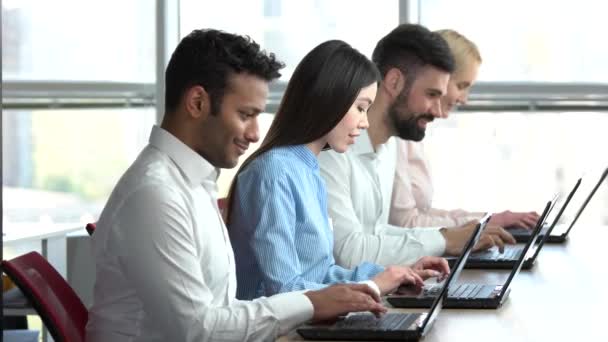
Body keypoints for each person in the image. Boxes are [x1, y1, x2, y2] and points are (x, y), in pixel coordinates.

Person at [86, 29, 389, 342]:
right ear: (197, 102)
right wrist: (310, 303)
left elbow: (222, 311)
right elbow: (200, 330)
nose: (256, 134)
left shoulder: (193, 182)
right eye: (246, 115)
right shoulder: (155, 195)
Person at [226, 40, 449, 301]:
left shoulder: (310, 172)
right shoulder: (274, 174)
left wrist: (394, 275)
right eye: (361, 108)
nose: (365, 122)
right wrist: (374, 286)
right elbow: (284, 290)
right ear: (330, 98)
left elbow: (322, 274)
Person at [318, 24, 516, 269]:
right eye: (431, 95)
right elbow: (347, 252)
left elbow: (376, 232)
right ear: (394, 82)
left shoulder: (386, 147)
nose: (438, 111)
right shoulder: (333, 150)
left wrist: (449, 234)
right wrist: (443, 239)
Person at [389, 29, 540, 229]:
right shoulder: (397, 136)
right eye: (461, 85)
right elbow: (405, 223)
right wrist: (481, 224)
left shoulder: (412, 134)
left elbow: (421, 213)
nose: (464, 98)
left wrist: (487, 219)